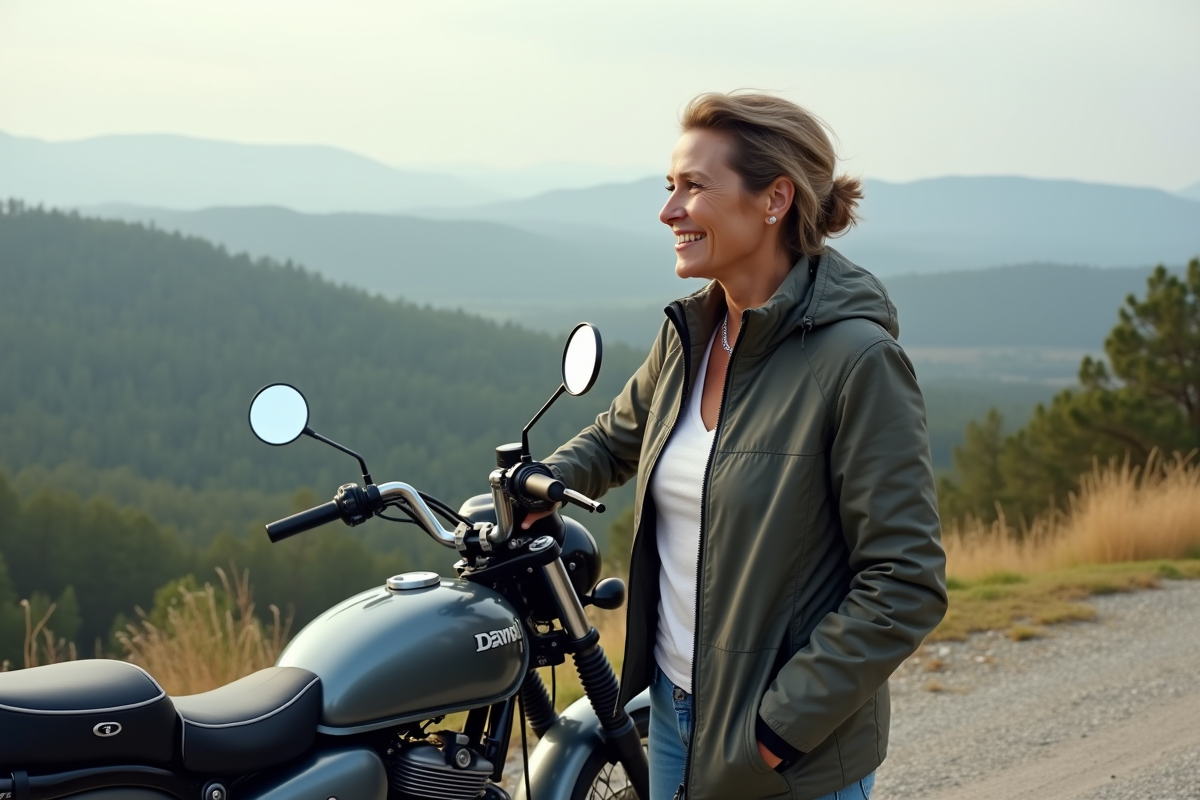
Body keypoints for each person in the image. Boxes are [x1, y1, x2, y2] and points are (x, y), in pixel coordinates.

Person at [529, 92, 947, 800]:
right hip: (673, 712)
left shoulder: (858, 361)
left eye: (694, 187)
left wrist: (775, 733)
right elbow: (616, 438)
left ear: (775, 199)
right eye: (670, 187)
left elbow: (905, 583)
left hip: (785, 750)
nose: (669, 211)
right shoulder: (693, 333)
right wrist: (540, 482)